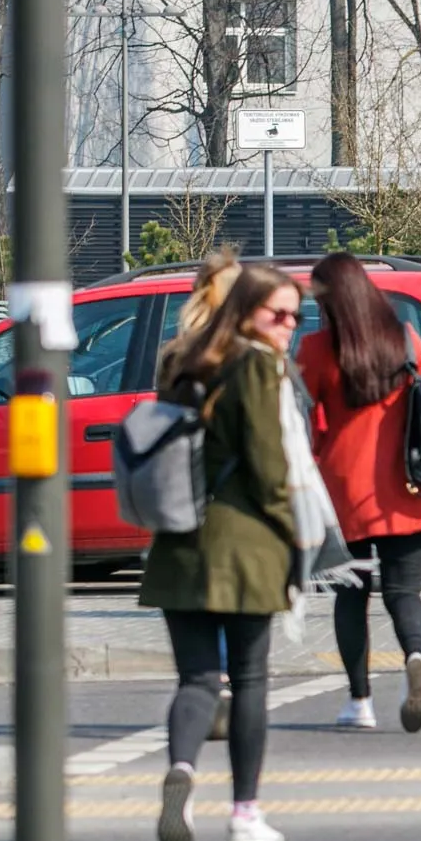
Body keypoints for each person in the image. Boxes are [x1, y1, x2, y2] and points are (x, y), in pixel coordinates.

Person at [142, 263, 304, 841]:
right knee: (252, 680)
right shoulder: (257, 365)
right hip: (244, 546)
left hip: (178, 543)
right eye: (277, 313)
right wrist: (296, 539)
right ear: (246, 310)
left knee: (198, 679)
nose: (288, 325)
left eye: (295, 315)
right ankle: (244, 816)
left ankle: (182, 770)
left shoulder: (182, 361)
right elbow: (269, 466)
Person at [298, 252, 421, 734]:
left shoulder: (318, 349)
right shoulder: (407, 341)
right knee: (405, 594)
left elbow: (300, 416)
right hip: (408, 488)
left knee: (350, 597)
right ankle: (415, 657)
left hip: (344, 495)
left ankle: (359, 702)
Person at [161, 252, 243, 743]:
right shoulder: (247, 357)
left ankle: (201, 695)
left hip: (180, 496)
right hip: (232, 498)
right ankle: (231, 686)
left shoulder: (174, 356)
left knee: (196, 605)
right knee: (237, 602)